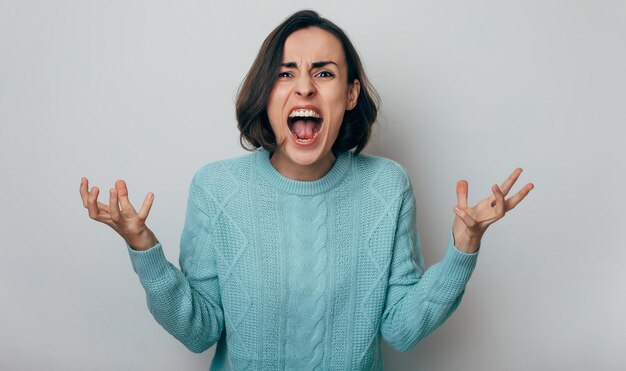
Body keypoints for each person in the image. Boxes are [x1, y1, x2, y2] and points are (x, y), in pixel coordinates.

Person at [79, 10, 533, 370]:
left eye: (323, 73)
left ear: (351, 94)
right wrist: (143, 247)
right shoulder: (216, 189)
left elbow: (401, 330)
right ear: (266, 91)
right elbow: (200, 331)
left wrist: (464, 247)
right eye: (284, 73)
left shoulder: (386, 187)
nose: (303, 88)